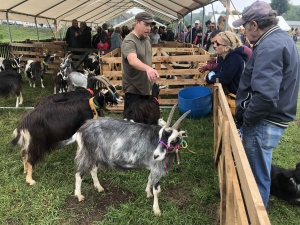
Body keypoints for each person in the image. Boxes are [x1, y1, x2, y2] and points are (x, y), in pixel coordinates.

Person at [232, 1, 300, 208]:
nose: (243, 30)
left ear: (254, 24)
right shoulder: (280, 39)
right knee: (260, 168)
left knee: (254, 175)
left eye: (244, 26)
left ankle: (254, 213)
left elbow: (265, 96)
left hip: (263, 121)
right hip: (271, 118)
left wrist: (248, 119)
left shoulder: (270, 46)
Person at [121, 12, 159, 111]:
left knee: (144, 122)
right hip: (133, 89)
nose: (149, 28)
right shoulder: (129, 41)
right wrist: (147, 68)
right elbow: (132, 60)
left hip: (145, 87)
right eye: (146, 25)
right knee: (132, 123)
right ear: (136, 23)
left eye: (150, 25)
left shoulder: (147, 39)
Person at [205, 31, 248, 95]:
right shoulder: (223, 57)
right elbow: (218, 70)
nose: (214, 45)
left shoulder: (234, 59)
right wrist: (211, 74)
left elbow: (223, 78)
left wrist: (208, 77)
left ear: (227, 48)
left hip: (235, 96)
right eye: (214, 43)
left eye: (217, 44)